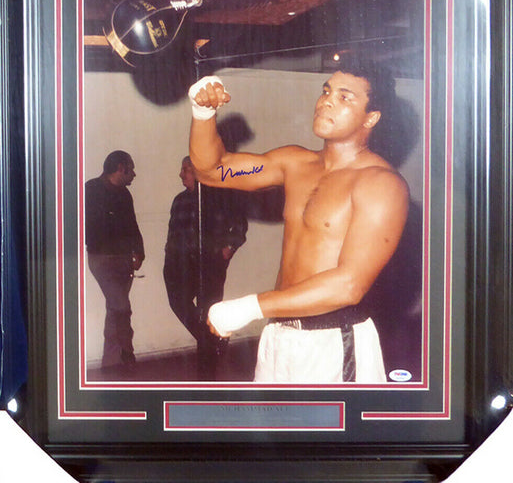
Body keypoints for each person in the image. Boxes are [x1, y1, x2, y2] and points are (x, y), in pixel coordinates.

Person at [188, 57, 409, 383]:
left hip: (335, 340)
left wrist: (249, 307)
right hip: (278, 334)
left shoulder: (381, 184)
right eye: (326, 90)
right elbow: (212, 170)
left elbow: (349, 285)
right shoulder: (294, 163)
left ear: (371, 117)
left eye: (345, 97)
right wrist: (203, 113)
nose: (326, 101)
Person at [163, 156, 248, 380]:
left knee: (208, 310)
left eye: (185, 169)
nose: (181, 174)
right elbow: (173, 233)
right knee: (178, 303)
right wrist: (169, 258)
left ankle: (207, 375)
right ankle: (213, 339)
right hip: (181, 265)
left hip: (210, 264)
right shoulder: (179, 200)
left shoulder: (219, 198)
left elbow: (240, 226)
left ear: (198, 172)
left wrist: (229, 248)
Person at [85, 150, 144, 372]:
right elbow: (86, 226)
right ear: (121, 168)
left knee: (115, 308)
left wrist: (139, 252)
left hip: (124, 259)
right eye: (131, 168)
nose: (134, 173)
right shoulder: (91, 189)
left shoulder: (125, 195)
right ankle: (127, 352)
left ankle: (110, 361)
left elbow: (132, 225)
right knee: (121, 305)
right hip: (102, 259)